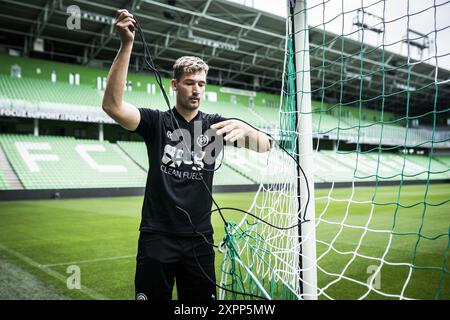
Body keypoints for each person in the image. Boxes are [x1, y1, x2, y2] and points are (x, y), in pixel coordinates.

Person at [102, 9, 271, 300]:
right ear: (175, 84)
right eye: (190, 82)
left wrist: (246, 127)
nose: (196, 90)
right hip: (157, 237)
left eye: (202, 84)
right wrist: (126, 44)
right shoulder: (157, 123)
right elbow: (113, 107)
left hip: (200, 240)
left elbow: (264, 145)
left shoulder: (216, 126)